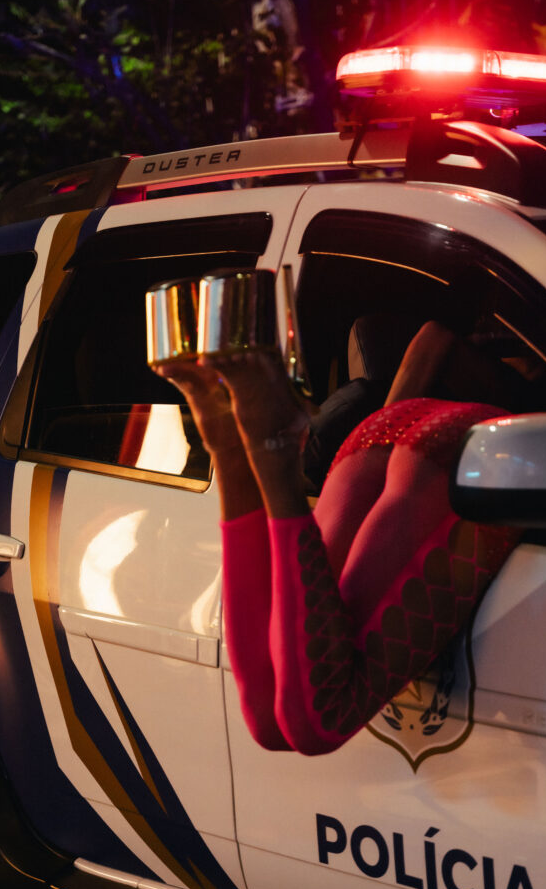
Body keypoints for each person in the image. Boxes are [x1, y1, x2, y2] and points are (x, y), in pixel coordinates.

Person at [152, 320, 521, 755]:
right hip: (473, 449)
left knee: (271, 723)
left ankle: (234, 451)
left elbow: (432, 336)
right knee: (319, 719)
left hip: (382, 429)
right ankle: (267, 454)